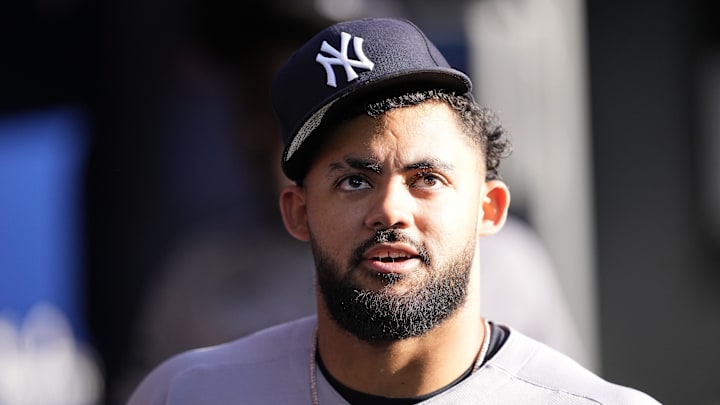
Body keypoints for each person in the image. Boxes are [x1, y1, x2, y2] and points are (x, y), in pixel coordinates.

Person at [127, 17, 660, 404]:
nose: (389, 209)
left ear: (489, 208)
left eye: (427, 179)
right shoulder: (187, 393)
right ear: (298, 212)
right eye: (354, 181)